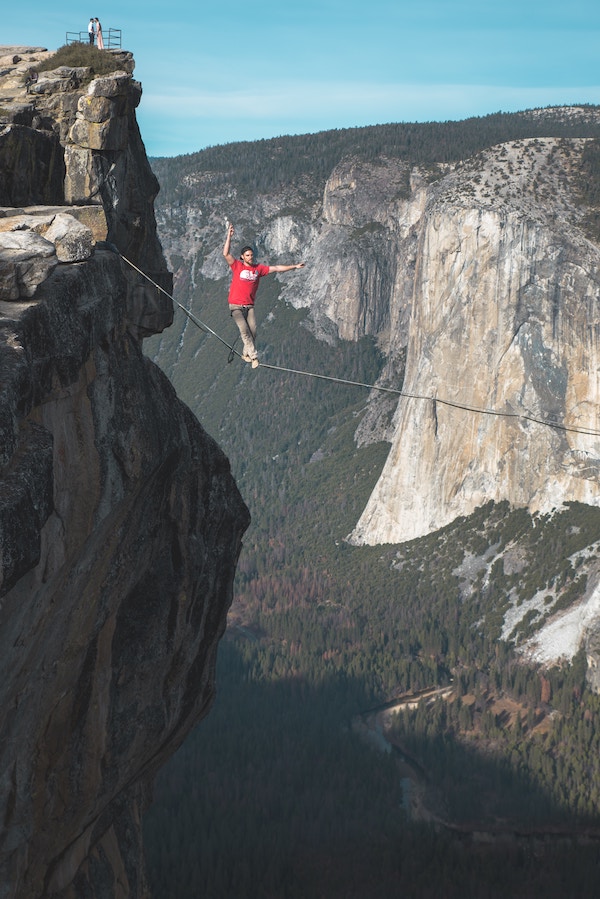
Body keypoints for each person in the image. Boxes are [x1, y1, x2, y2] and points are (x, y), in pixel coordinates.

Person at [222, 223, 305, 367]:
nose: (250, 257)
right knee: (244, 330)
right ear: (242, 257)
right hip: (235, 305)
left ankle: (246, 353)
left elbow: (277, 268)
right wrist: (229, 236)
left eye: (251, 255)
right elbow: (226, 254)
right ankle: (254, 357)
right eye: (247, 255)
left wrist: (294, 267)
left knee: (253, 332)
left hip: (249, 306)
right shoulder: (237, 266)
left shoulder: (258, 269)